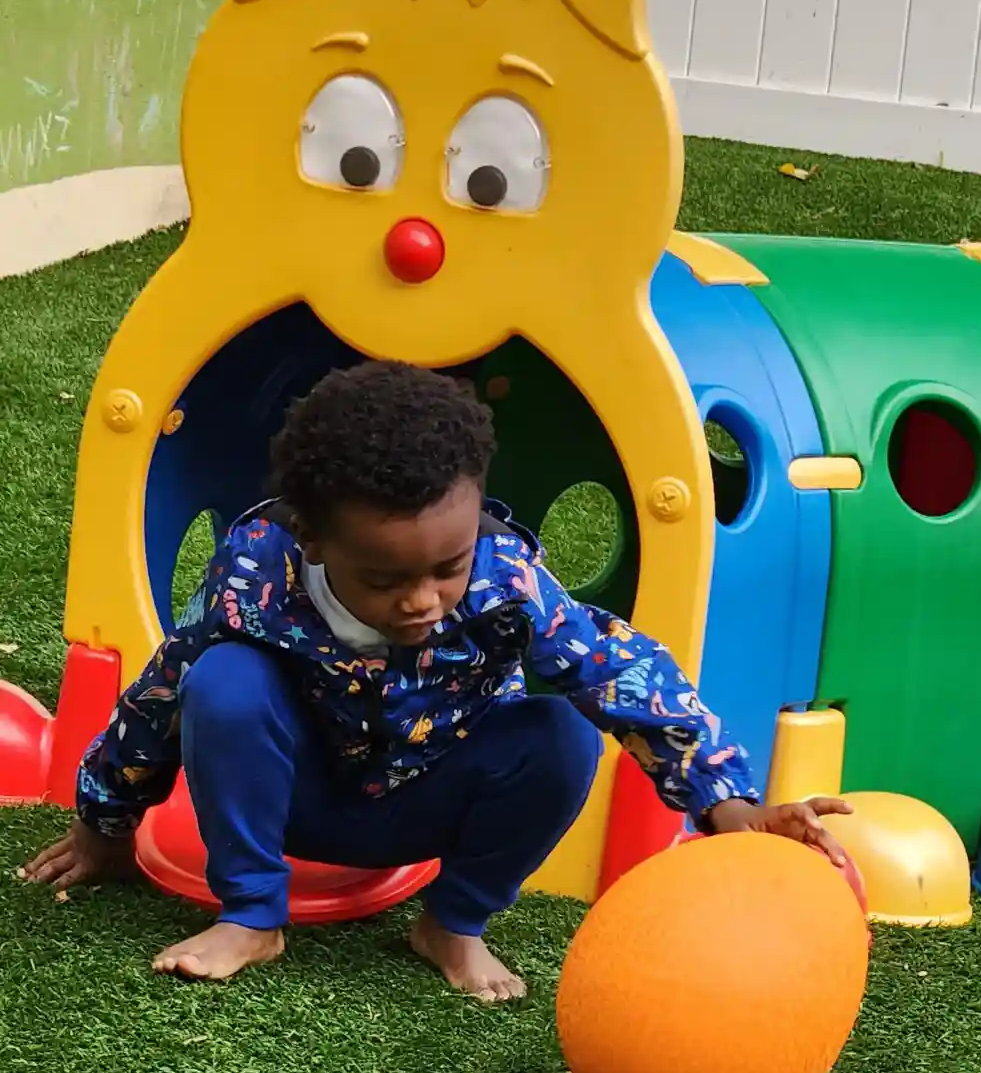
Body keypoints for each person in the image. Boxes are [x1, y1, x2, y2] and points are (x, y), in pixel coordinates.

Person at [22, 362, 848, 1001]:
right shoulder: (259, 570)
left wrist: (729, 804)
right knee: (221, 681)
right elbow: (164, 692)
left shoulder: (502, 580)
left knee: (559, 734)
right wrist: (105, 823)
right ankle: (251, 916)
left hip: (427, 803)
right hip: (291, 800)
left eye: (445, 568)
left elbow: (623, 671)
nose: (421, 601)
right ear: (312, 541)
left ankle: (451, 926)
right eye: (384, 579)